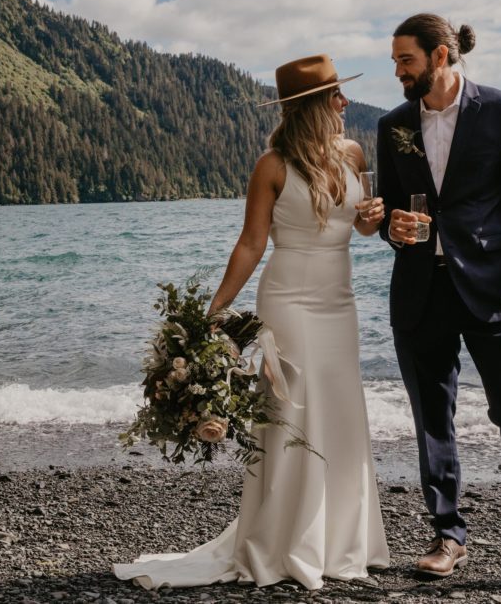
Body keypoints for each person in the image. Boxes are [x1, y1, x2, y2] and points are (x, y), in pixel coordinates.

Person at [114, 53, 390, 590]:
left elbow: (355, 229)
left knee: (340, 409)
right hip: (289, 301)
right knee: (294, 412)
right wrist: (214, 314)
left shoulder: (354, 153)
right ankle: (286, 542)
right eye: (336, 94)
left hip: (341, 301)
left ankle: (341, 541)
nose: (345, 102)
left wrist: (369, 221)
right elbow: (251, 243)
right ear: (315, 104)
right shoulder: (273, 165)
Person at [376, 14, 501, 596]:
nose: (399, 71)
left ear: (441, 54)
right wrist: (393, 229)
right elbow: (386, 210)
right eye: (395, 61)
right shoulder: (394, 124)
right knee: (433, 419)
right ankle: (447, 534)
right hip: (420, 292)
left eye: (406, 59)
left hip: (490, 288)